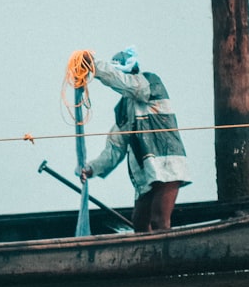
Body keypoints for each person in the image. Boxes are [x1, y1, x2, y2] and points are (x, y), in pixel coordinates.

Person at [77, 46, 191, 232]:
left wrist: (94, 66)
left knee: (159, 220)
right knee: (139, 222)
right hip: (146, 174)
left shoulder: (150, 83)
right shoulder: (123, 109)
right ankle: (147, 258)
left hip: (167, 164)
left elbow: (127, 84)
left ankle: (164, 257)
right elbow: (114, 149)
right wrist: (91, 168)